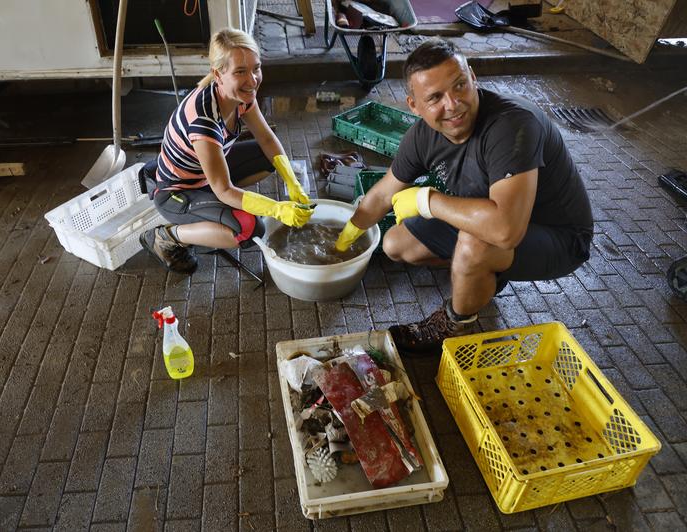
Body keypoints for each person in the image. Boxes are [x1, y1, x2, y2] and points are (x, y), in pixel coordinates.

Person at [335, 38, 593, 355]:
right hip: (493, 221)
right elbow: (382, 195)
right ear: (413, 106)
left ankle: (454, 324)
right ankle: (486, 274)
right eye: (435, 98)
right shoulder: (421, 137)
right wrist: (343, 240)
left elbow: (506, 231)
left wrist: (425, 201)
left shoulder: (511, 125)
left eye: (459, 86)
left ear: (473, 77)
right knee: (395, 243)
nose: (453, 104)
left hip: (559, 238)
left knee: (477, 244)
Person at [139, 28, 313, 274]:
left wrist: (292, 181)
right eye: (240, 72)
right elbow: (224, 190)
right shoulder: (204, 120)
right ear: (218, 74)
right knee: (250, 228)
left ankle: (214, 213)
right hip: (177, 193)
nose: (253, 80)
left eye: (256, 68)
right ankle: (166, 236)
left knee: (269, 157)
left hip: (208, 177)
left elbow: (266, 137)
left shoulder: (242, 95)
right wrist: (276, 208)